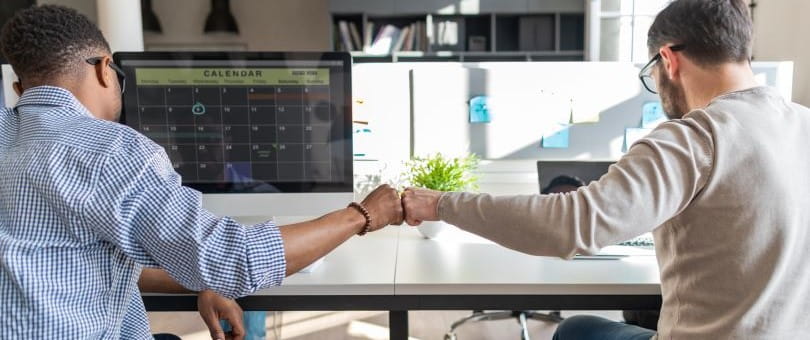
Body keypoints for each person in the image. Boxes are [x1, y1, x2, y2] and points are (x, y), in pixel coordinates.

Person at [402, 0, 810, 338]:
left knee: (574, 331)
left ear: (667, 59)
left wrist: (441, 204)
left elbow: (571, 226)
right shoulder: (803, 124)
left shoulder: (693, 139)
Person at [0, 5, 403, 339]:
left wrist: (201, 275)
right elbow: (238, 260)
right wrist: (363, 215)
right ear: (106, 69)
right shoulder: (111, 149)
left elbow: (74, 261)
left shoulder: (7, 133)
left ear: (20, 89)